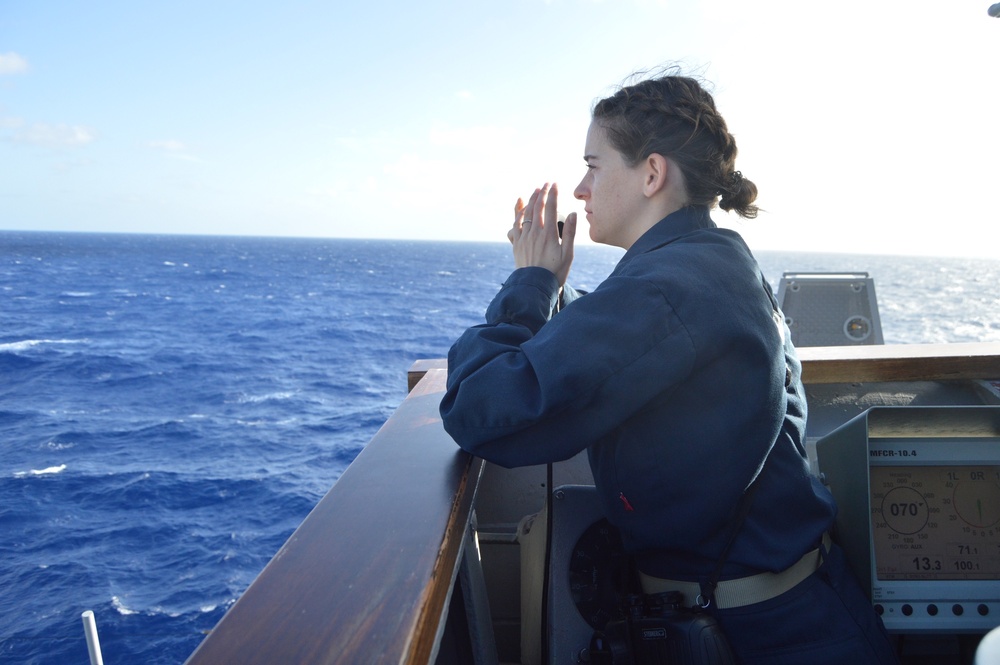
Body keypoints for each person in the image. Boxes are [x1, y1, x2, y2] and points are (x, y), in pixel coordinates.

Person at [439, 70, 897, 664]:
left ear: (652, 174)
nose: (580, 188)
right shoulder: (712, 259)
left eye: (594, 165)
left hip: (763, 636)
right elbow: (620, 337)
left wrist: (528, 283)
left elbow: (480, 409)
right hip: (801, 609)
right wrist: (553, 289)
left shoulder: (667, 289)